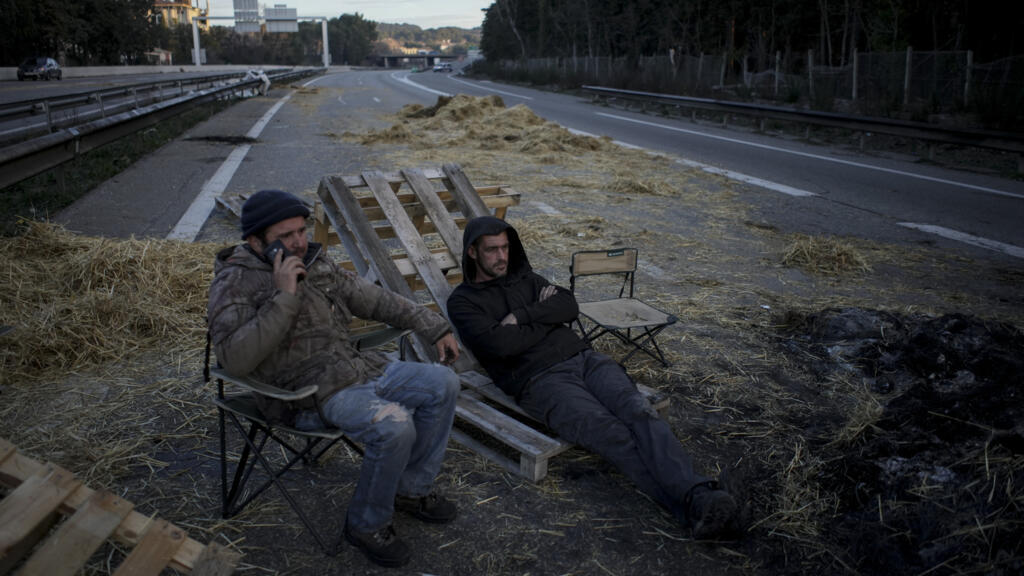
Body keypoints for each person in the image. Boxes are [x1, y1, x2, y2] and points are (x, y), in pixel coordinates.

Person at [208, 189, 462, 567]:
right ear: (254, 241)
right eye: (286, 236)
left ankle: (409, 491)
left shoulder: (317, 262)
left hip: (355, 369)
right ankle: (365, 524)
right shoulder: (235, 282)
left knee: (444, 383)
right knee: (395, 426)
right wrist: (284, 297)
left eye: (301, 230)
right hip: (303, 395)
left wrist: (433, 326)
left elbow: (375, 300)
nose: (299, 242)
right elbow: (235, 359)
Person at [446, 216, 739, 539]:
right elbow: (501, 346)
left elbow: (569, 306)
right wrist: (547, 319)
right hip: (540, 381)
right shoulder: (463, 302)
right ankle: (696, 502)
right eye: (492, 250)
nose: (502, 257)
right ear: (472, 252)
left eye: (505, 248)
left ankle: (698, 498)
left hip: (586, 360)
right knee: (612, 433)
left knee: (640, 412)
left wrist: (522, 316)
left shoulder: (527, 279)